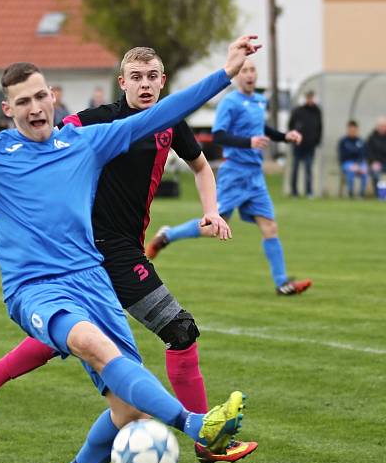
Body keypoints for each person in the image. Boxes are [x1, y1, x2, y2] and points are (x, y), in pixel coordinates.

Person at [0, 36, 261, 463]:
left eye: (40, 96)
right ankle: (198, 426)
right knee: (89, 343)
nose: (34, 107)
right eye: (22, 101)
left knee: (126, 408)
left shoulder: (86, 141)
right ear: (9, 109)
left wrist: (224, 73)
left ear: (53, 97)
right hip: (36, 289)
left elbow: (165, 114)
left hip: (93, 280)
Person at [0, 45, 257, 463]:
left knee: (69, 336)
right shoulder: (95, 122)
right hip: (102, 249)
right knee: (180, 330)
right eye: (136, 76)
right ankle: (206, 438)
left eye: (152, 76)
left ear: (163, 80)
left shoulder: (169, 123)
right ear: (123, 82)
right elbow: (47, 144)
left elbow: (201, 167)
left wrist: (210, 210)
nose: (145, 84)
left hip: (119, 249)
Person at [145, 58, 311, 297]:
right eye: (244, 70)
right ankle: (168, 235)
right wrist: (248, 143)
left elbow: (261, 129)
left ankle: (282, 282)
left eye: (253, 70)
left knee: (270, 226)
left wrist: (285, 137)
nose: (250, 74)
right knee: (213, 228)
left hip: (255, 176)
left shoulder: (259, 100)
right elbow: (219, 136)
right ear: (237, 76)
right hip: (234, 174)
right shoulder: (229, 102)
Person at [288, 90, 322, 197]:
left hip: (310, 145)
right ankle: (294, 191)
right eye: (308, 97)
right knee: (296, 168)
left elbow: (320, 127)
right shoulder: (298, 111)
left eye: (311, 98)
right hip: (298, 145)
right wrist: (293, 138)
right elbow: (291, 125)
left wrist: (317, 140)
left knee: (309, 169)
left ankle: (309, 191)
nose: (310, 100)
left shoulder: (317, 111)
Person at [337, 120, 367, 198]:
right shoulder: (343, 141)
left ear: (357, 130)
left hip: (359, 163)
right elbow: (342, 156)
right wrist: (353, 165)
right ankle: (351, 193)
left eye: (354, 130)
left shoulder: (361, 141)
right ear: (348, 129)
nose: (352, 131)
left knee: (364, 172)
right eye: (351, 129)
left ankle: (362, 194)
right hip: (347, 163)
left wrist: (357, 164)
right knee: (351, 172)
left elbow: (363, 155)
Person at [365, 116, 386, 198]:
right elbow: (368, 152)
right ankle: (379, 195)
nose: (383, 128)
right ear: (377, 127)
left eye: (384, 126)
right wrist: (373, 162)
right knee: (375, 172)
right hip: (376, 163)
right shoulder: (371, 138)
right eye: (381, 126)